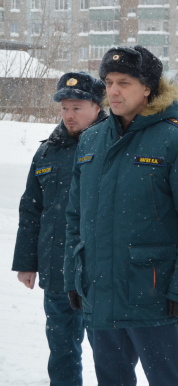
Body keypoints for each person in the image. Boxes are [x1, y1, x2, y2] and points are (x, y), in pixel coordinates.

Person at [63, 45, 178, 386]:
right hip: (100, 291)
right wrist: (73, 276)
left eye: (124, 82)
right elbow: (75, 216)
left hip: (153, 295)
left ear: (147, 87)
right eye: (108, 82)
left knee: (165, 380)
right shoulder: (90, 141)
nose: (113, 91)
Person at [12, 71, 106, 386]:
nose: (68, 114)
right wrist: (26, 263)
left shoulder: (114, 147)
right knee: (62, 351)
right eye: (64, 107)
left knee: (111, 354)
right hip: (56, 272)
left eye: (77, 107)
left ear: (96, 106)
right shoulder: (47, 152)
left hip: (100, 273)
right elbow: (31, 209)